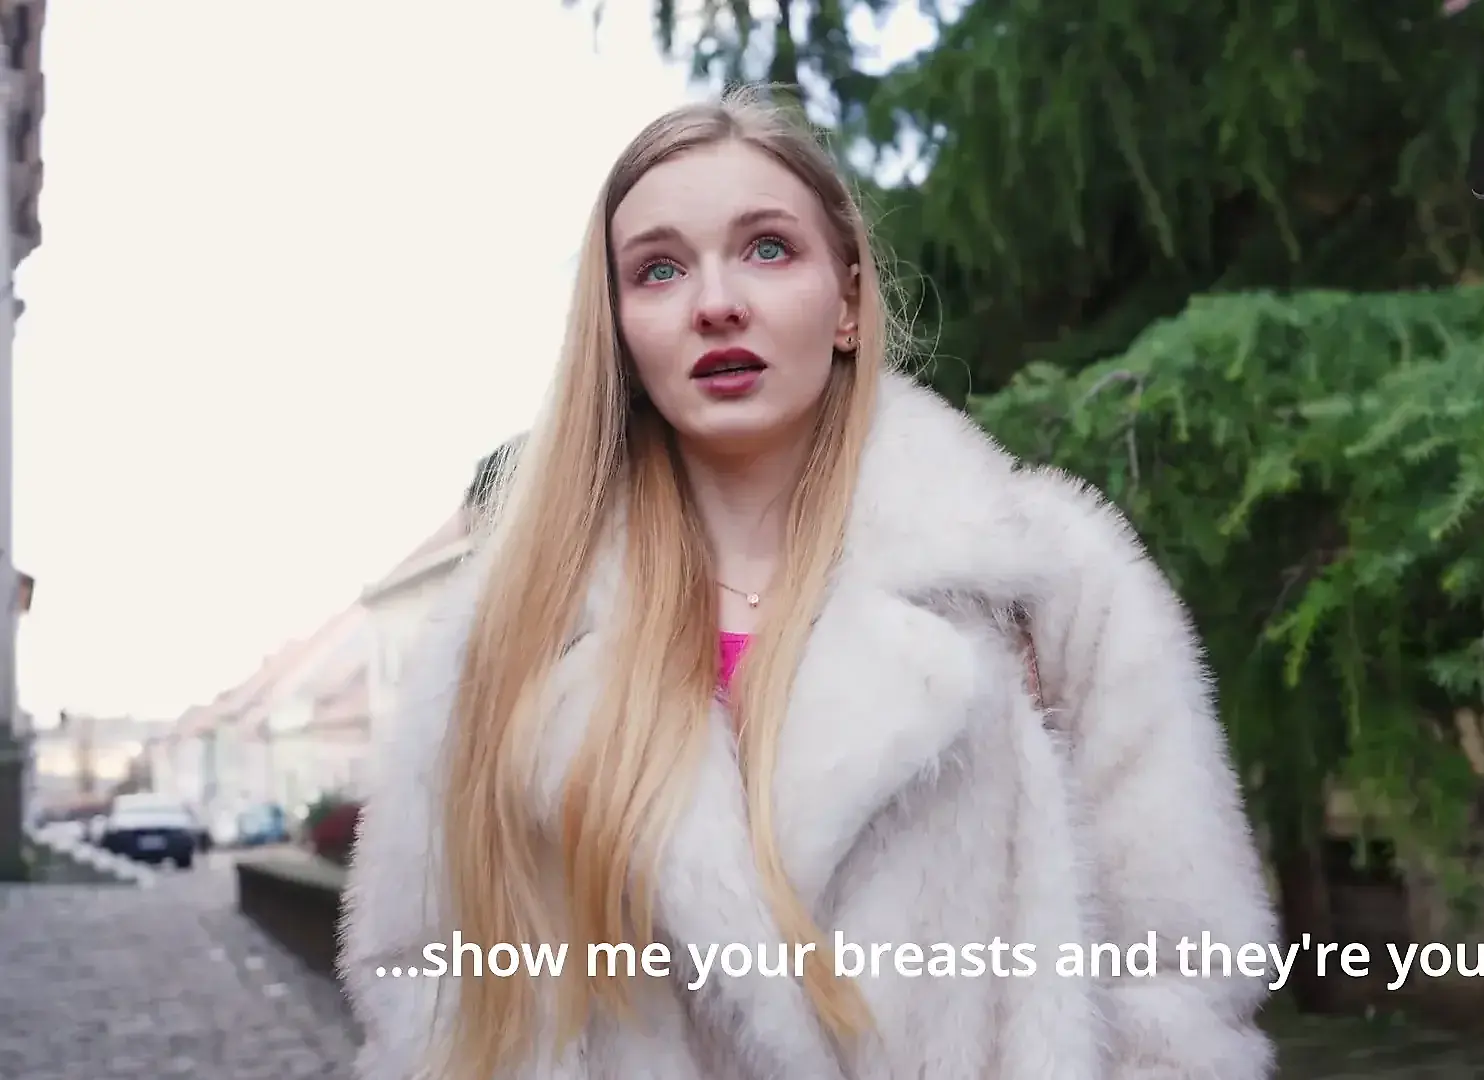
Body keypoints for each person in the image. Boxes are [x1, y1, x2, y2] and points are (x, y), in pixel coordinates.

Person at [341, 87, 1278, 1080]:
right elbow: (427, 988)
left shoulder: (1041, 580)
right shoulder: (516, 626)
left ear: (849, 302)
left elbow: (1183, 975)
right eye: (659, 269)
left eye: (768, 248)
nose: (716, 302)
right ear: (615, 329)